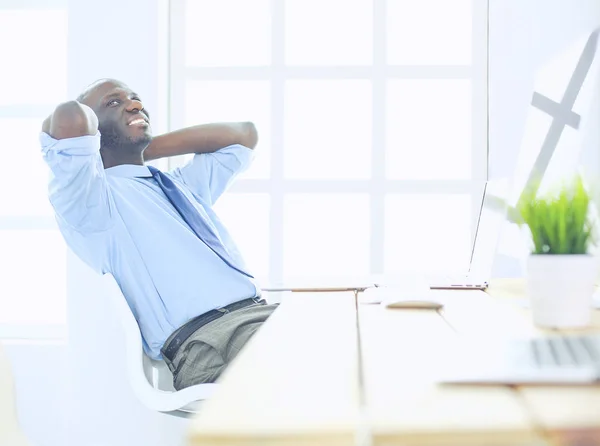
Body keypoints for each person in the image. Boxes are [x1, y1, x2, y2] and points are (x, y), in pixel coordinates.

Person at [40, 79, 277, 389]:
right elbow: (68, 117)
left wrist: (139, 147)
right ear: (93, 131)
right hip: (212, 342)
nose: (136, 104)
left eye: (136, 99)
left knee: (349, 340)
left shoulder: (179, 186)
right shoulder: (94, 202)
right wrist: (105, 147)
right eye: (113, 103)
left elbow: (243, 136)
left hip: (260, 316)